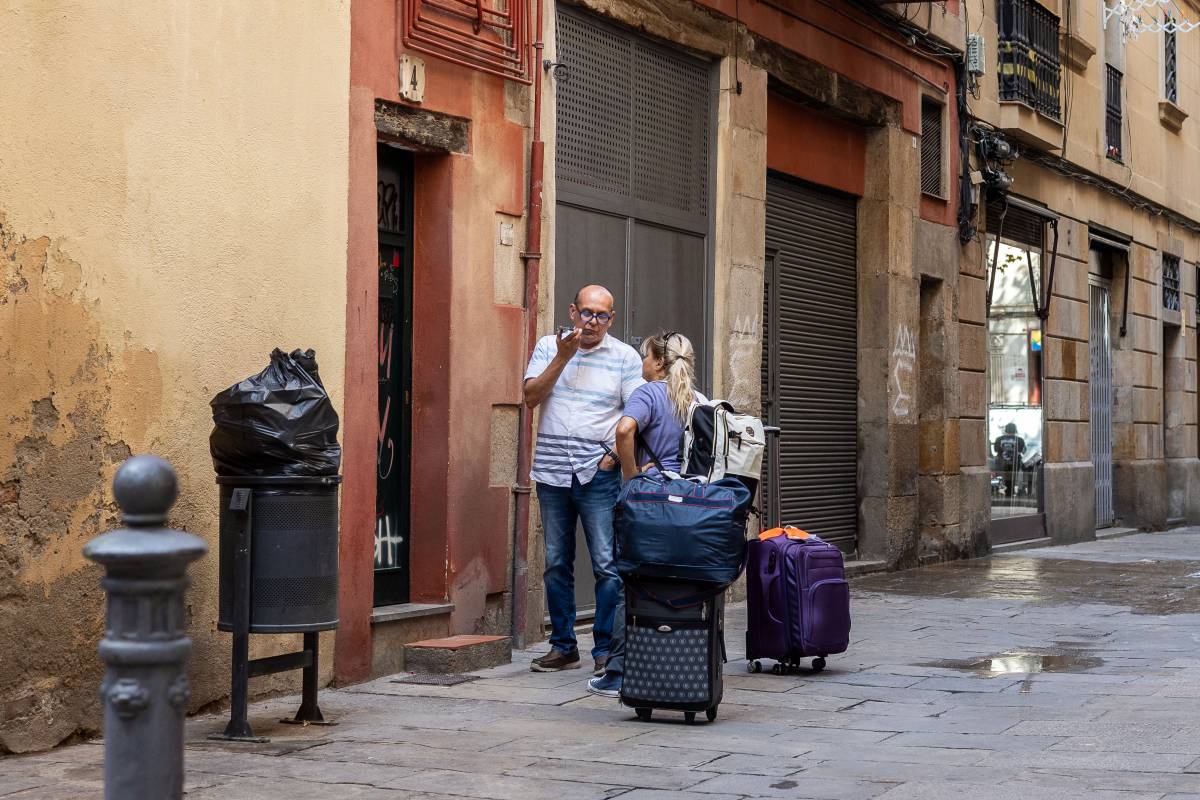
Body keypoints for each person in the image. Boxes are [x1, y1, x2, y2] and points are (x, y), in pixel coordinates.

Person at [523, 285, 644, 674]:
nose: (593, 321)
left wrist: (613, 456)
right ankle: (563, 646)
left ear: (612, 318)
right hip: (553, 472)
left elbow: (637, 415)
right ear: (573, 312)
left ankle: (605, 649)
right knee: (557, 561)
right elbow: (530, 396)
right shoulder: (548, 347)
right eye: (587, 313)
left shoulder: (625, 357)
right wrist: (562, 357)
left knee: (607, 564)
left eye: (602, 315)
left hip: (598, 474)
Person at [587, 330, 702, 698]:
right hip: (688, 504)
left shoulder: (650, 393)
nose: (642, 364)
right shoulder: (698, 400)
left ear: (658, 363)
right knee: (675, 581)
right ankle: (677, 663)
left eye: (645, 357)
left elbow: (625, 429)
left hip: (650, 501)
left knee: (630, 581)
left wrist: (630, 477)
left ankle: (619, 671)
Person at [992, 422, 1026, 498]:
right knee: (1012, 478)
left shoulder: (999, 439)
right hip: (1014, 463)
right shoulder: (1020, 440)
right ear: (1015, 430)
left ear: (1006, 430)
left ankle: (1001, 492)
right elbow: (1022, 451)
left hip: (1002, 463)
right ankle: (1010, 493)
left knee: (1001, 478)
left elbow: (995, 450)